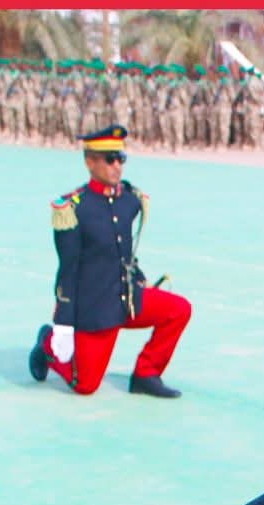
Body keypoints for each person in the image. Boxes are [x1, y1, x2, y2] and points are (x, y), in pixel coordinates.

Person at [28, 125, 193, 398]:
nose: (117, 166)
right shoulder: (74, 208)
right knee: (86, 386)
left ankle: (146, 373)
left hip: (127, 300)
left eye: (120, 158)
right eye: (109, 159)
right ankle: (46, 346)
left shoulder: (129, 200)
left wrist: (138, 276)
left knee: (178, 309)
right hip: (95, 310)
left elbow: (123, 250)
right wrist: (63, 325)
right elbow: (68, 270)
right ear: (89, 162)